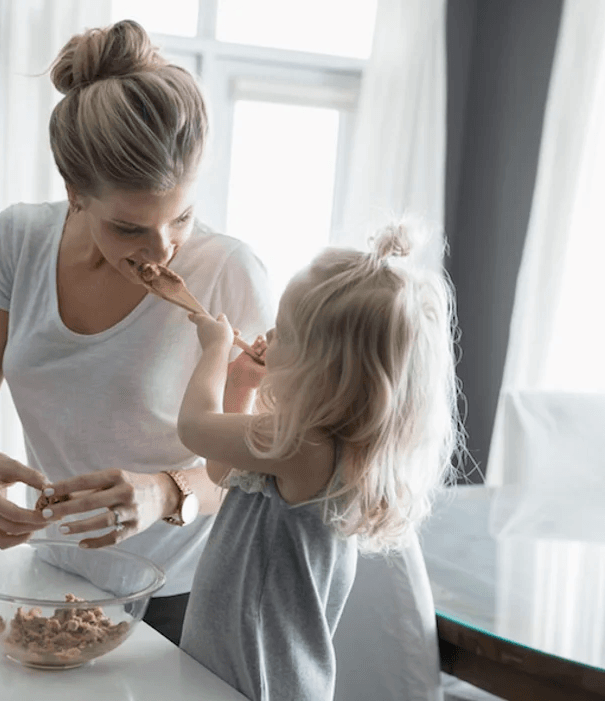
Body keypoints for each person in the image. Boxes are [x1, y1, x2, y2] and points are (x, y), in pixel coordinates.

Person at [0, 19, 275, 646]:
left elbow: (269, 461)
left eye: (183, 217)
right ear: (73, 193)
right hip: (53, 570)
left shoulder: (229, 272)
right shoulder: (18, 240)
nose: (164, 249)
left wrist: (166, 492)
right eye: (129, 228)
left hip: (185, 592)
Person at [176, 224, 462, 700]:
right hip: (225, 675)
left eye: (284, 332)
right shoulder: (306, 443)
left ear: (327, 368)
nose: (268, 335)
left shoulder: (305, 447)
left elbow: (194, 426)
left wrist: (212, 350)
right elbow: (220, 472)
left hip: (259, 682)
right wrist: (243, 384)